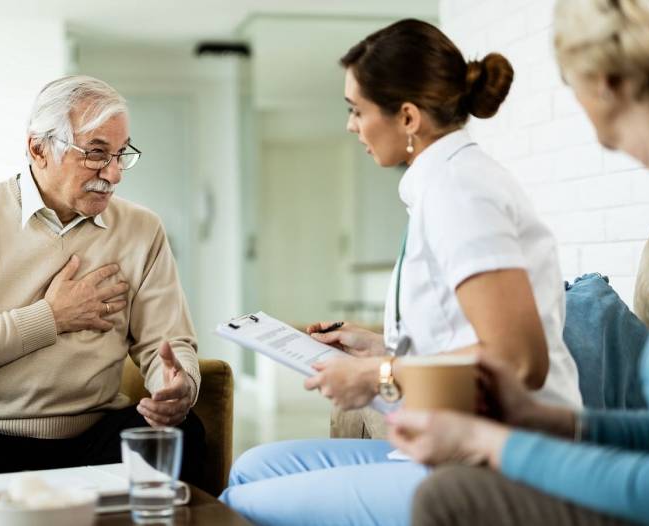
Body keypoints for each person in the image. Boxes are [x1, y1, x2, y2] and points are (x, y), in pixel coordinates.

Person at [220, 19, 581, 526]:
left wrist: (376, 375)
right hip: (460, 443)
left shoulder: (459, 192)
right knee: (250, 468)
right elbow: (465, 337)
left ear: (407, 116)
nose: (350, 125)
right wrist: (380, 349)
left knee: (240, 505)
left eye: (357, 110)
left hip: (506, 463)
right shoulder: (440, 186)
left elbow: (519, 360)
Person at [0, 75, 205, 523]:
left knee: (184, 433)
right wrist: (52, 316)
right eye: (96, 153)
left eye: (121, 155)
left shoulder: (142, 228)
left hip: (92, 432)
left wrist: (178, 385)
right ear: (39, 148)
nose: (113, 174)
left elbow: (167, 345)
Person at [390, 2, 649, 525]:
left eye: (570, 86)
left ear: (607, 84)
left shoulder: (459, 186)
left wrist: (493, 442)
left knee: (445, 498)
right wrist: (544, 420)